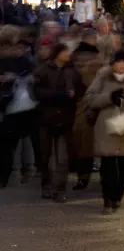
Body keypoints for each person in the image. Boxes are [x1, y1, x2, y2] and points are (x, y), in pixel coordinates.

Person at [84, 50, 124, 214]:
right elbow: (89, 98)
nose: (121, 65)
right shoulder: (102, 77)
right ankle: (108, 200)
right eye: (118, 62)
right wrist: (109, 98)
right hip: (106, 127)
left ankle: (118, 195)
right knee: (108, 166)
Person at [33, 43, 84, 202]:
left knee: (63, 158)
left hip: (66, 119)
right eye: (65, 51)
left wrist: (75, 94)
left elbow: (81, 89)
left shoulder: (72, 71)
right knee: (45, 155)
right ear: (58, 53)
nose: (68, 54)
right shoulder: (43, 70)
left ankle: (60, 189)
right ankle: (47, 186)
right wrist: (59, 94)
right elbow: (36, 92)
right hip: (46, 118)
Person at [0, 28, 37, 187]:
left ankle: (17, 172)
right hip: (8, 107)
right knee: (9, 144)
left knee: (15, 142)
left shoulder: (24, 62)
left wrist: (15, 78)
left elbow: (32, 78)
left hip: (18, 108)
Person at [71, 28, 103, 190]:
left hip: (95, 110)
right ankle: (84, 176)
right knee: (85, 145)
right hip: (85, 110)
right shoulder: (78, 70)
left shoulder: (100, 70)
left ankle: (85, 177)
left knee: (93, 145)